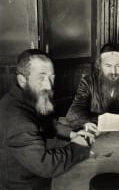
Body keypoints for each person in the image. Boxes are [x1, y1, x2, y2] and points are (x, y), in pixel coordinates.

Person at [0, 49, 94, 190]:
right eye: (41, 77)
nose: (49, 85)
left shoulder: (21, 98)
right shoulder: (18, 120)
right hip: (28, 185)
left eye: (52, 77)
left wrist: (72, 134)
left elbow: (47, 123)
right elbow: (47, 165)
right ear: (22, 80)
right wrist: (79, 147)